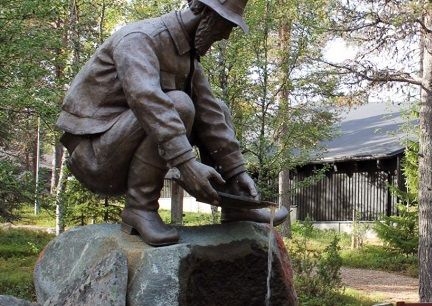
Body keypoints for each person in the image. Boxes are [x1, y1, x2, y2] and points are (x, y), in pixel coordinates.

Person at [56, 0, 288, 246]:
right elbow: (147, 101)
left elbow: (210, 114)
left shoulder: (187, 57)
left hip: (122, 146)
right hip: (96, 157)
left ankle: (235, 203)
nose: (226, 35)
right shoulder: (139, 39)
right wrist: (187, 164)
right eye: (226, 24)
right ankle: (140, 207)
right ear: (206, 15)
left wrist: (236, 171)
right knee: (178, 104)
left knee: (217, 108)